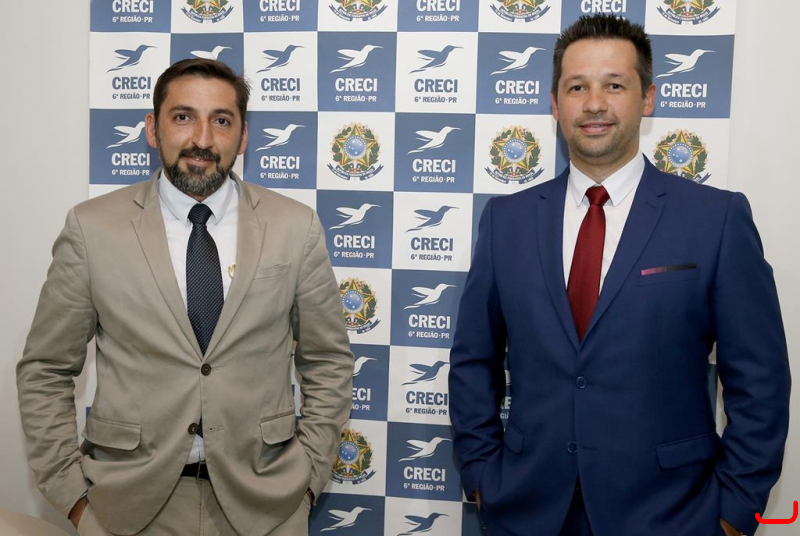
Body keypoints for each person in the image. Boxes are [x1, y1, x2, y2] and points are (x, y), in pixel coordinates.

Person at [449, 14, 789, 536]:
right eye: (577, 87)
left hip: (672, 515)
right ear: (554, 102)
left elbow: (760, 380)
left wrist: (732, 514)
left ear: (647, 98)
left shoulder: (716, 220)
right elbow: (474, 361)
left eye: (614, 85)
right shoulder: (505, 221)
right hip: (526, 510)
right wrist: (480, 476)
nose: (594, 104)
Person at [17, 58, 354, 536]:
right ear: (152, 128)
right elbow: (46, 369)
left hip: (266, 505)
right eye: (183, 117)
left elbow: (327, 361)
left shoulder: (295, 227)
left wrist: (306, 482)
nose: (202, 139)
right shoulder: (92, 228)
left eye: (222, 120)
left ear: (243, 135)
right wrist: (74, 498)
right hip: (126, 506)